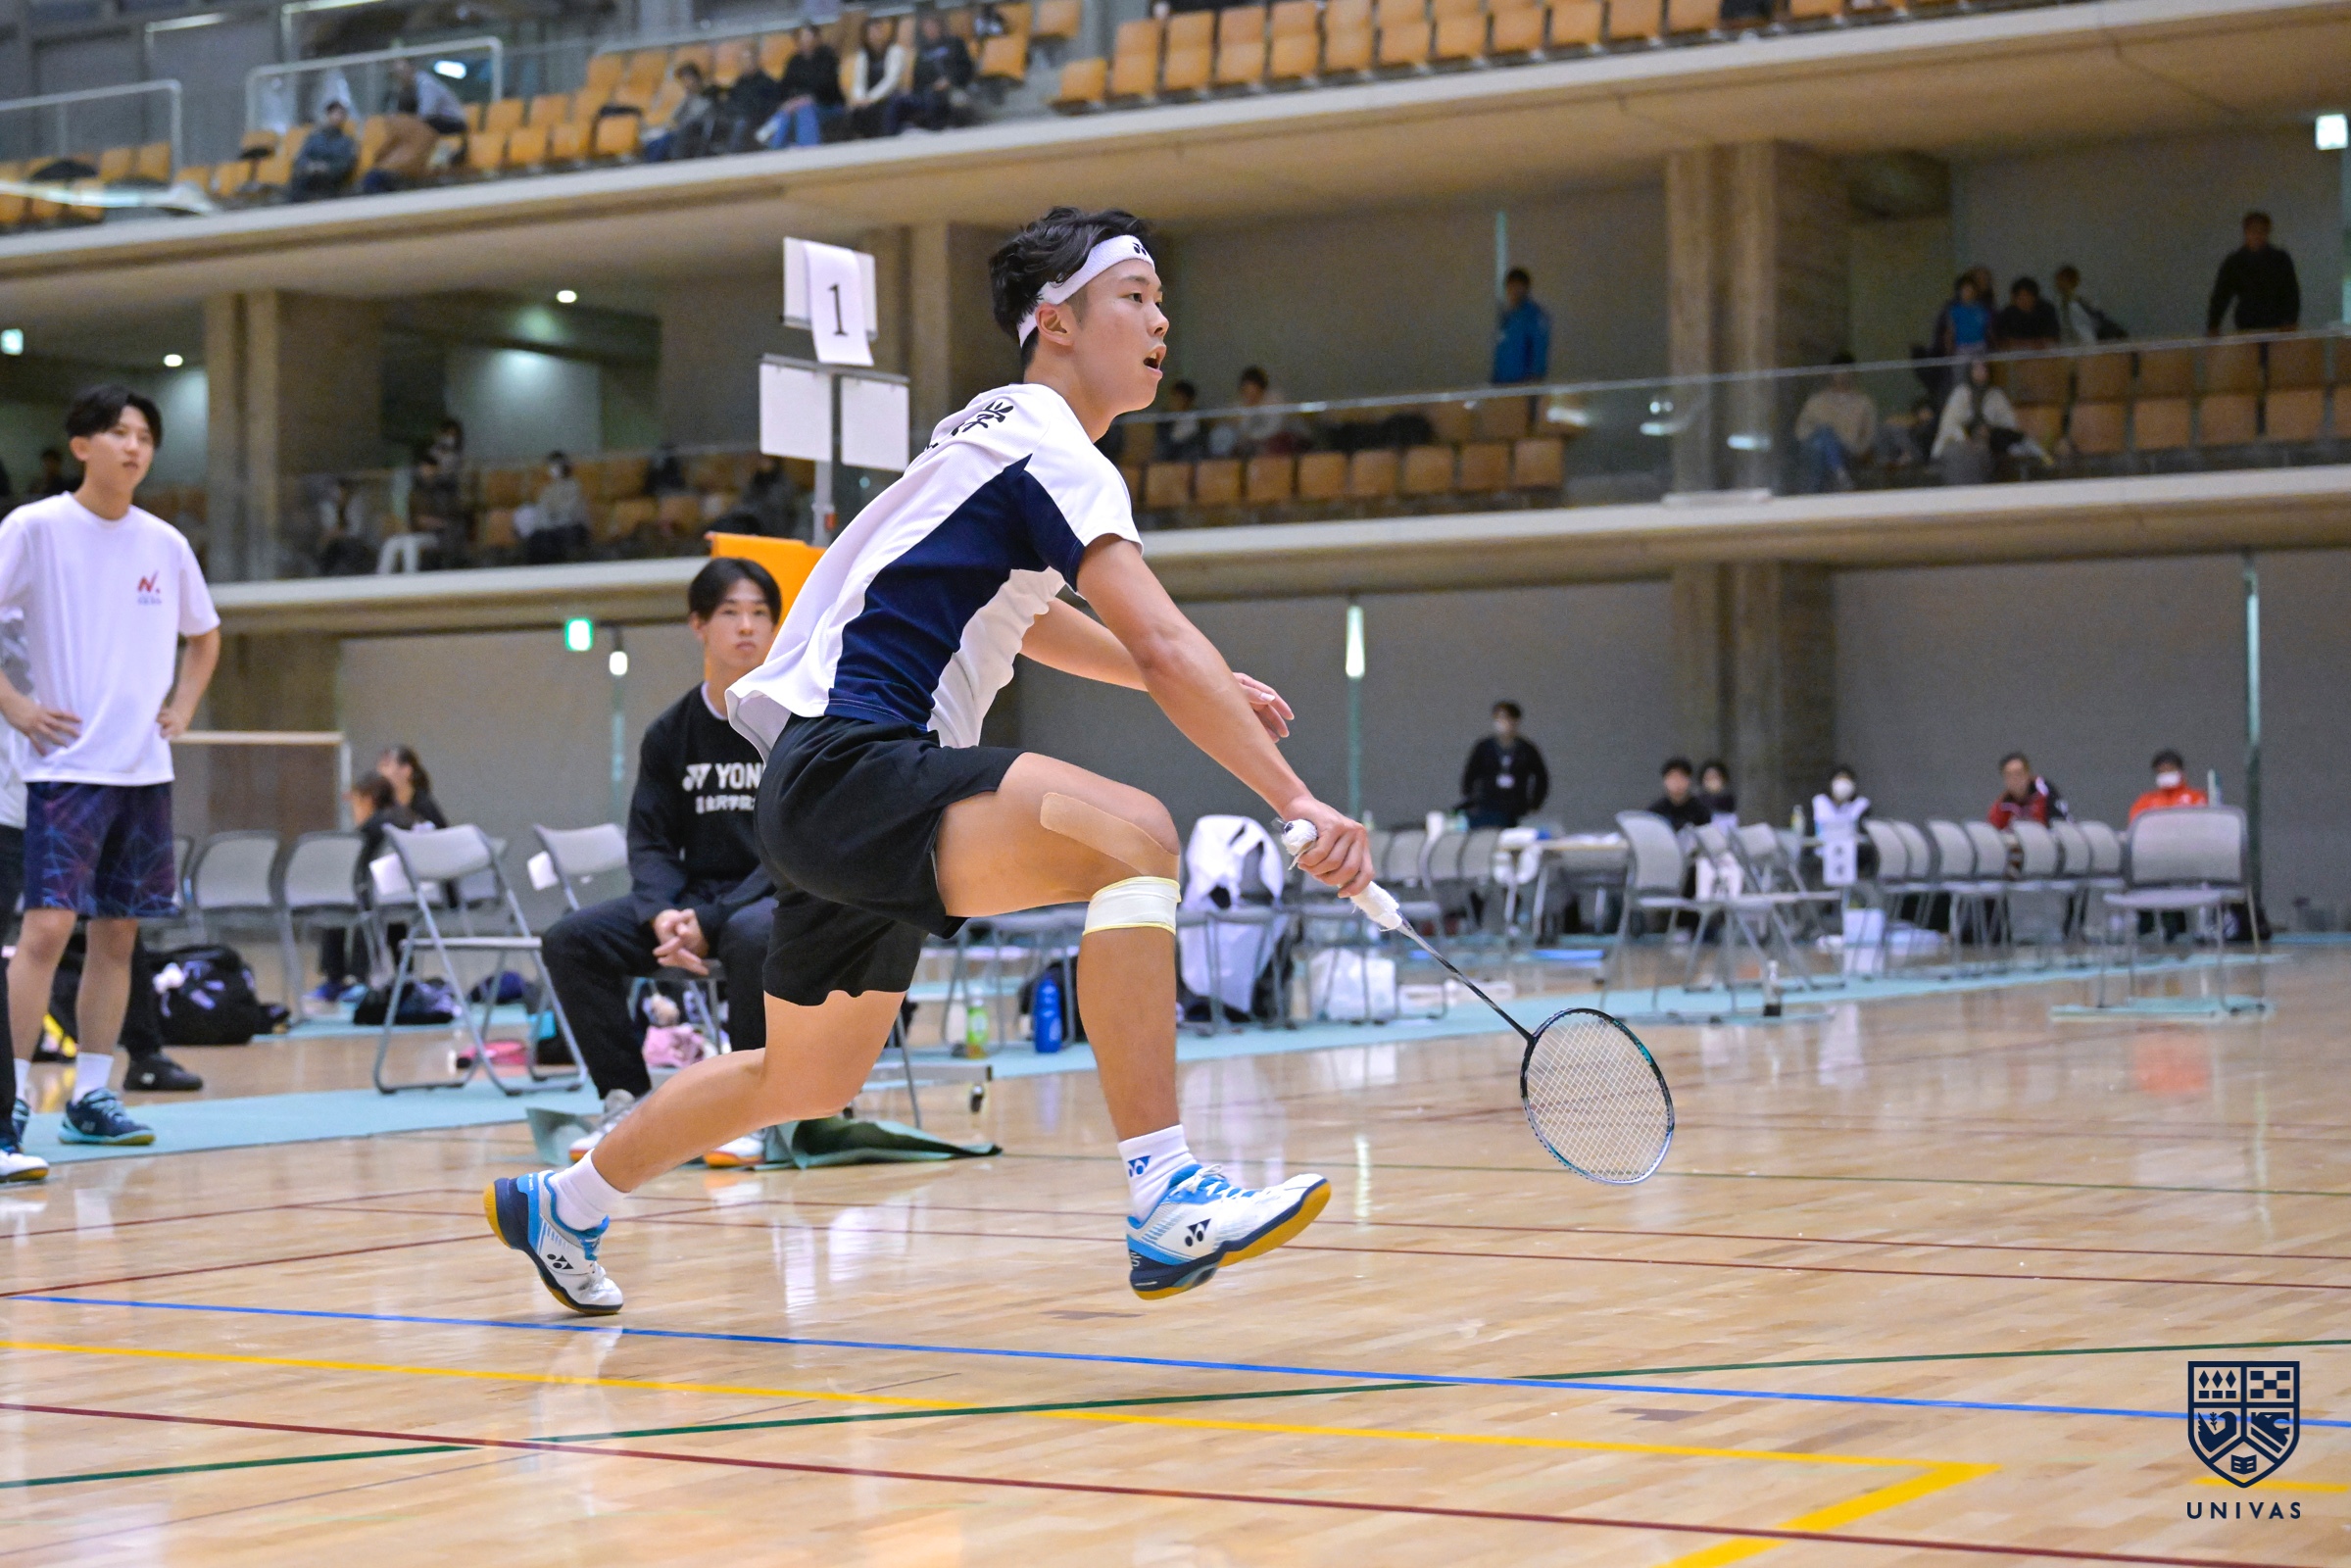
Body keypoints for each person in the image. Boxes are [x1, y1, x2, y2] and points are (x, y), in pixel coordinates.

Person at [486, 206, 1368, 1314]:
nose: (1160, 322)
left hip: (819, 791)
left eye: (1160, 302)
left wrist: (1180, 677)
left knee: (805, 1075)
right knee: (1135, 839)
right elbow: (1159, 637)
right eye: (1135, 297)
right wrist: (1295, 801)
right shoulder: (1048, 442)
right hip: (858, 764)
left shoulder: (985, 439)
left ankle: (563, 1201)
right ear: (1055, 321)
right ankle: (1163, 1189)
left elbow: (1025, 619)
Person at [0, 385, 220, 1170]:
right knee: (45, 933)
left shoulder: (165, 542)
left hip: (143, 772)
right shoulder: (34, 528)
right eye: (119, 433)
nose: (134, 447)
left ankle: (92, 1096)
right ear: (81, 445)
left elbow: (205, 635)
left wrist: (181, 707)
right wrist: (16, 706)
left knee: (119, 935)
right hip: (65, 768)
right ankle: (10, 1096)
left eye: (146, 437)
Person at [542, 559, 786, 1170]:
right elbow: (650, 841)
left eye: (760, 613)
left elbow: (794, 846)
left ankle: (753, 1115)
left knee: (751, 935)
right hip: (695, 903)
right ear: (698, 625)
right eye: (730, 612)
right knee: (572, 940)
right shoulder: (670, 732)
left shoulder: (797, 724)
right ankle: (625, 1103)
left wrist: (711, 920)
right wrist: (661, 915)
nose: (747, 626)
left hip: (777, 898)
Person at [312, 770, 416, 1004]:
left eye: (355, 803)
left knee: (340, 903)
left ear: (368, 800)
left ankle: (340, 978)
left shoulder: (372, 828)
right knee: (383, 911)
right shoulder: (408, 819)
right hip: (408, 895)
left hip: (377, 897)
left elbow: (354, 867)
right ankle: (405, 973)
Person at [1932, 358, 2044, 486]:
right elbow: (1949, 424)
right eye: (1976, 369)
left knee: (2019, 447)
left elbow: (2009, 423)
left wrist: (1989, 431)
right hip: (1962, 442)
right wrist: (1966, 436)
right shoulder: (1960, 394)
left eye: (1983, 369)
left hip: (1991, 441)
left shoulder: (1996, 395)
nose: (1980, 372)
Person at [1792, 354, 1879, 493]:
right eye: (1838, 372)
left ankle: (1815, 491)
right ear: (1831, 374)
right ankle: (1839, 475)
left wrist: (1856, 450)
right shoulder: (1816, 401)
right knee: (1822, 438)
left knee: (1824, 438)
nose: (1842, 376)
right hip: (1815, 452)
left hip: (1849, 453)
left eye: (1847, 372)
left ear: (1854, 374)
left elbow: (1869, 436)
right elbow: (1801, 432)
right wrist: (1824, 437)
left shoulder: (1864, 403)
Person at [1457, 701, 1548, 828]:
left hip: (1516, 805)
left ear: (1515, 720)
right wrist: (1470, 799)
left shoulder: (1526, 749)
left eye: (1506, 718)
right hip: (1488, 805)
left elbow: (1541, 777)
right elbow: (1470, 774)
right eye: (1498, 718)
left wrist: (1535, 804)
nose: (1502, 723)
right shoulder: (1484, 747)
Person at [2208, 212, 2300, 335]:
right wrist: (2213, 325)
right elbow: (2221, 295)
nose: (2257, 235)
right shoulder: (2234, 262)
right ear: (2246, 232)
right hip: (2247, 324)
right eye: (2253, 231)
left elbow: (2291, 292)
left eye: (2262, 231)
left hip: (2277, 325)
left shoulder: (2280, 259)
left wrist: (2290, 320)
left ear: (2268, 233)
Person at [763, 24, 844, 148]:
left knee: (805, 111)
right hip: (798, 104)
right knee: (784, 113)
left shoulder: (828, 58)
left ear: (817, 38)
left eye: (808, 36)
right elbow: (785, 87)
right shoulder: (794, 61)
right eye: (801, 37)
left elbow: (828, 87)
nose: (804, 40)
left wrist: (807, 99)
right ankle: (773, 149)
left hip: (828, 105)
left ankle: (808, 150)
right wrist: (790, 102)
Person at [894, 11, 975, 133]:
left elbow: (966, 68)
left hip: (954, 88)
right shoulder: (922, 52)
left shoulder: (955, 43)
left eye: (932, 25)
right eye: (927, 27)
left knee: (951, 101)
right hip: (928, 93)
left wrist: (949, 80)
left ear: (940, 26)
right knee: (898, 101)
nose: (930, 29)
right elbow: (918, 79)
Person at [520, 452, 590, 565]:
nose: (552, 469)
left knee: (555, 539)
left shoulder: (574, 486)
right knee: (537, 539)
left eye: (555, 465)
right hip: (551, 528)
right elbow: (542, 511)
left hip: (572, 527)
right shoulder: (548, 489)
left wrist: (553, 519)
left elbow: (569, 512)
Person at [647, 63, 724, 161]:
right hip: (681, 134)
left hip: (695, 135)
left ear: (696, 79)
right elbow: (673, 117)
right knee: (652, 143)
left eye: (688, 79)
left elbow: (696, 119)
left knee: (665, 141)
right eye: (683, 81)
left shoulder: (707, 96)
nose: (686, 84)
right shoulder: (688, 99)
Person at [846, 19, 907, 139]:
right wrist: (860, 99)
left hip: (889, 95)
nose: (875, 35)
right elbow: (859, 81)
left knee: (887, 107)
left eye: (878, 31)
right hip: (868, 99)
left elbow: (891, 80)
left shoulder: (895, 51)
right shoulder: (863, 56)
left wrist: (872, 98)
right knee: (854, 111)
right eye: (871, 32)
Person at [1492, 267, 1550, 386]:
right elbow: (1502, 351)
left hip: (1523, 385)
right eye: (1511, 286)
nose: (1514, 291)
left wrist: (1534, 382)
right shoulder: (1508, 317)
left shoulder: (1533, 316)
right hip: (1501, 384)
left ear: (1526, 288)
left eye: (1518, 286)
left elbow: (1539, 350)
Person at [1811, 764, 1868, 888]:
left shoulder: (1861, 805)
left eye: (1847, 780)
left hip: (1853, 859)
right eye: (1839, 779)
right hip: (1821, 859)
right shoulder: (1819, 803)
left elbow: (1863, 832)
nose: (1843, 784)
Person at [289, 101, 359, 201]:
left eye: (340, 114)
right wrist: (310, 166)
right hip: (310, 174)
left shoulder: (347, 141)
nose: (337, 117)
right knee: (298, 182)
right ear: (328, 115)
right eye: (334, 113)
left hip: (331, 178)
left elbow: (347, 163)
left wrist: (326, 167)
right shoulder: (314, 138)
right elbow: (302, 157)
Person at [359, 111, 438, 193]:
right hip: (414, 171)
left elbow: (388, 143)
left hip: (396, 168)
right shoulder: (429, 133)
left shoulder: (400, 122)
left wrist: (377, 158)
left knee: (371, 180)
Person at [388, 59, 468, 136]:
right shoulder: (407, 88)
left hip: (452, 121)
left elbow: (426, 112)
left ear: (411, 68)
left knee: (417, 126)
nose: (400, 77)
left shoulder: (426, 83)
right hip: (437, 120)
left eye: (402, 71)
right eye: (397, 74)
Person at [1988, 751, 2068, 829]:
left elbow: (2061, 824)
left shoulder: (2045, 792)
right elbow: (1993, 831)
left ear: (2027, 774)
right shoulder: (2001, 806)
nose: (2015, 779)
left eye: (2018, 773)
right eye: (2009, 775)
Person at [376, 744, 448, 826]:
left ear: (406, 770)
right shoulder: (378, 803)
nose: (380, 771)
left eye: (386, 765)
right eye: (380, 766)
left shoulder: (424, 805)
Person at [2129, 748, 2208, 821]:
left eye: (2170, 769)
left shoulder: (2196, 797)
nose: (2166, 773)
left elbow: (2203, 821)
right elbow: (2136, 823)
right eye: (2162, 771)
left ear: (2180, 772)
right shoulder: (2145, 801)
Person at [1932, 272, 1990, 360]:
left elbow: (1987, 328)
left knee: (1979, 367)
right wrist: (1949, 349)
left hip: (1979, 346)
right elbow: (1950, 331)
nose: (1968, 293)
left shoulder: (1981, 309)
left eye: (1970, 289)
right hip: (1962, 347)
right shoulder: (1955, 310)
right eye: (1965, 290)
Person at [1992, 276, 2060, 349]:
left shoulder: (2047, 310)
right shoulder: (2007, 313)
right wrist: (2028, 344)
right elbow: (2002, 340)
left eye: (2027, 296)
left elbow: (2053, 338)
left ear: (2035, 297)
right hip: (2017, 353)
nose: (2024, 301)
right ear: (2013, 298)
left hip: (2043, 351)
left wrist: (2029, 343)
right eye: (2020, 297)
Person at [1647, 757, 1710, 832]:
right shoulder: (1655, 811)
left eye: (1681, 777)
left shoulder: (1701, 810)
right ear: (1664, 781)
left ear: (1689, 780)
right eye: (1672, 777)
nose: (1677, 782)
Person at [1153, 379, 1206, 462]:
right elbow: (1163, 444)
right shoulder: (1164, 420)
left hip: (1188, 458)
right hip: (1168, 457)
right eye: (1173, 398)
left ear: (1188, 400)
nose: (1174, 402)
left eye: (1179, 398)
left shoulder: (1198, 419)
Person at [1696, 760, 1736, 828]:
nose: (1712, 782)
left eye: (1715, 777)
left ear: (1723, 779)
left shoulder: (1729, 801)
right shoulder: (1697, 803)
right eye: (1708, 778)